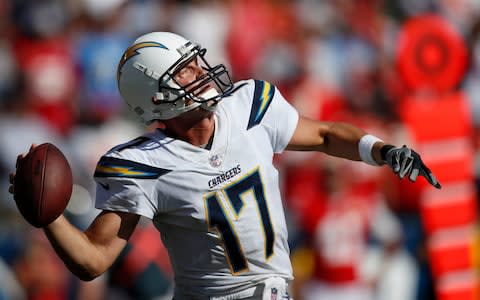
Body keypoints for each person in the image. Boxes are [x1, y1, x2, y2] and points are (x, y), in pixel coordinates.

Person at [8, 32, 441, 300]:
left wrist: (381, 151)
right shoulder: (143, 164)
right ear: (155, 98)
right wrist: (49, 217)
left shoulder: (250, 106)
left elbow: (326, 135)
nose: (201, 72)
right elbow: (95, 259)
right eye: (184, 72)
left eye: (196, 61)